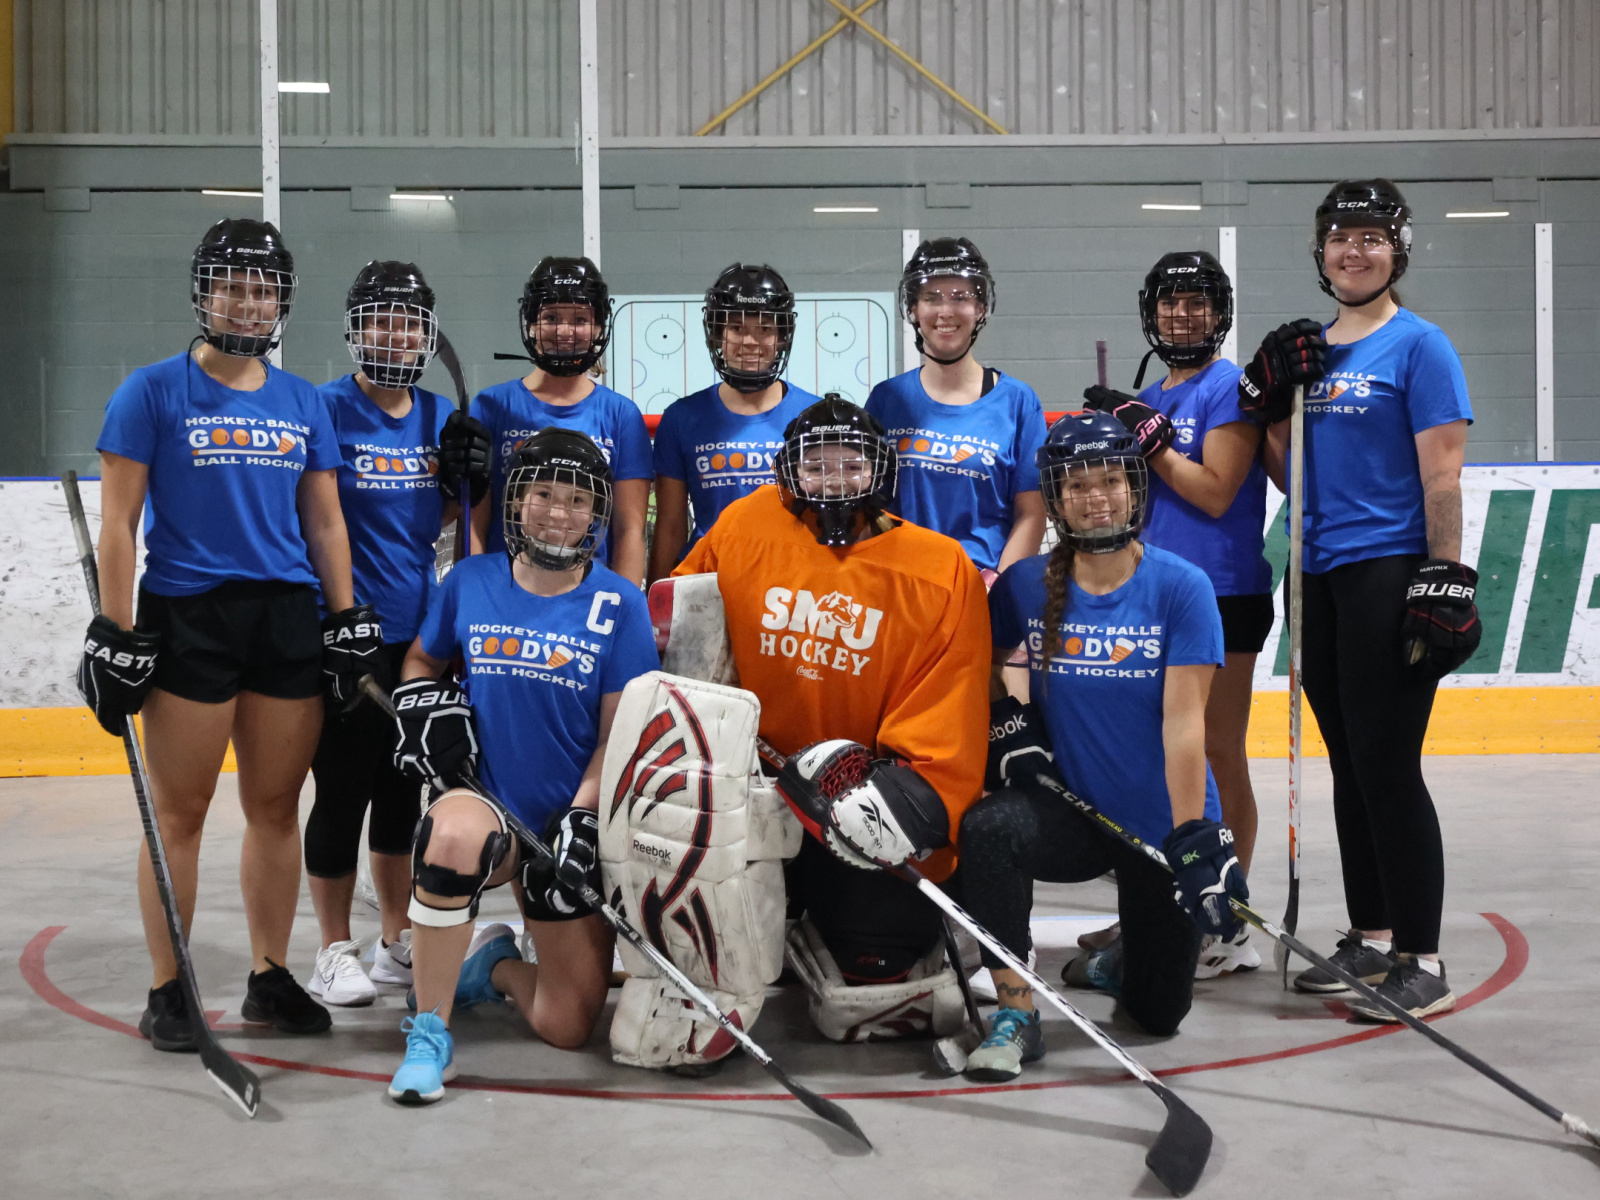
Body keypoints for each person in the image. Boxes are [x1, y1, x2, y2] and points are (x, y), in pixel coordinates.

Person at [80, 217, 381, 1051]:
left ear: (282, 301)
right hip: (189, 616)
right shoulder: (150, 392)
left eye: (264, 290)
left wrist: (344, 616)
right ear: (203, 293)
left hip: (284, 618)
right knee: (180, 812)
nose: (248, 303)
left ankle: (269, 976)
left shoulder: (302, 401)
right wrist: (116, 631)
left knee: (276, 808)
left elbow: (324, 522)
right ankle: (168, 986)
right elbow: (119, 524)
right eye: (233, 287)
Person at [674, 395, 989, 1044]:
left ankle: (892, 924)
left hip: (852, 805)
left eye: (851, 465)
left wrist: (903, 799)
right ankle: (784, 919)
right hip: (753, 792)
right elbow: (681, 639)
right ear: (790, 472)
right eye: (816, 466)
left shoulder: (940, 568)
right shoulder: (744, 525)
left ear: (880, 471)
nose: (835, 481)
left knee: (871, 986)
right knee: (710, 946)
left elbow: (948, 715)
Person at [1245, 179, 1478, 1021]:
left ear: (1397, 250)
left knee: (1388, 765)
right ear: (1321, 252)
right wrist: (1270, 404)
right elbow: (1289, 475)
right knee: (1349, 764)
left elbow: (1441, 473)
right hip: (1318, 576)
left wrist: (1444, 577)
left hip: (1387, 569)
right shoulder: (1312, 351)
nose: (1355, 250)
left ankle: (1422, 956)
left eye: (1373, 237)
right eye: (1341, 237)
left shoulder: (1421, 346)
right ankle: (1372, 936)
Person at [958, 410, 1248, 1081]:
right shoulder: (1026, 584)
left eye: (1110, 480)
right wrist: (1008, 722)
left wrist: (1193, 837)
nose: (1096, 497)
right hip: (1074, 812)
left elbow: (1185, 725)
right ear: (1056, 500)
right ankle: (1015, 1010)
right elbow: (981, 664)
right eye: (1077, 485)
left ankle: (1114, 964)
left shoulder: (1181, 587)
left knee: (1158, 1015)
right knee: (990, 828)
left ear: (1134, 487)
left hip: (1157, 825)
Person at [386, 429, 659, 1105]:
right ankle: (430, 1035)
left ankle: (495, 966)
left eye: (576, 500)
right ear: (517, 499)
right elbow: (421, 659)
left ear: (597, 513)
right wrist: (421, 703)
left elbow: (617, 734)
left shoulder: (619, 604)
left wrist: (582, 818)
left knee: (567, 1026)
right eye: (543, 494)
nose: (558, 512)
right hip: (486, 803)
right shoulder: (470, 580)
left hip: (564, 825)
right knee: (449, 841)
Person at [303, 261, 492, 1006]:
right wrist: (338, 616)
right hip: (346, 631)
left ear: (427, 334)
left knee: (399, 792)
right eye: (380, 320)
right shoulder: (323, 407)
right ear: (356, 329)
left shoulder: (438, 413)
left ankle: (392, 938)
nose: (394, 334)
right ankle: (331, 947)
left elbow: (430, 518)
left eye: (408, 322)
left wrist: (462, 486)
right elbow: (313, 517)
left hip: (416, 636)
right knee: (342, 789)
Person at [1080, 250, 1271, 979]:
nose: (1182, 315)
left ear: (1219, 312)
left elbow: (1217, 491)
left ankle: (1228, 921)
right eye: (1170, 303)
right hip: (1150, 591)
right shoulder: (1150, 392)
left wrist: (1151, 439)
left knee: (1217, 751)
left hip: (1223, 592)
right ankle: (1156, 906)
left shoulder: (1229, 387)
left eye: (1197, 303)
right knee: (1157, 761)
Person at [866, 237, 1047, 583]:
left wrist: (999, 586)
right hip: (902, 589)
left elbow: (1031, 514)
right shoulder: (886, 399)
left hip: (983, 589)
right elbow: (871, 508)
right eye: (932, 298)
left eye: (960, 298)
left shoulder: (1018, 401)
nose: (945, 311)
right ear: (913, 309)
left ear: (980, 308)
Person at [470, 257, 652, 584]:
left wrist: (621, 605)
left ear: (599, 327)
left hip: (588, 595)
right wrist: (475, 594)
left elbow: (629, 529)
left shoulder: (621, 414)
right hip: (505, 590)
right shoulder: (491, 406)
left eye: (580, 319)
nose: (565, 331)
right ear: (531, 324)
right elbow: (475, 522)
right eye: (551, 317)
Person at [647, 263, 820, 584]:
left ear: (783, 336)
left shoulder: (815, 415)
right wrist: (655, 605)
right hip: (708, 583)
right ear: (717, 335)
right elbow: (670, 526)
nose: (751, 341)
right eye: (737, 328)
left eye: (765, 328)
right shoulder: (683, 417)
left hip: (795, 581)